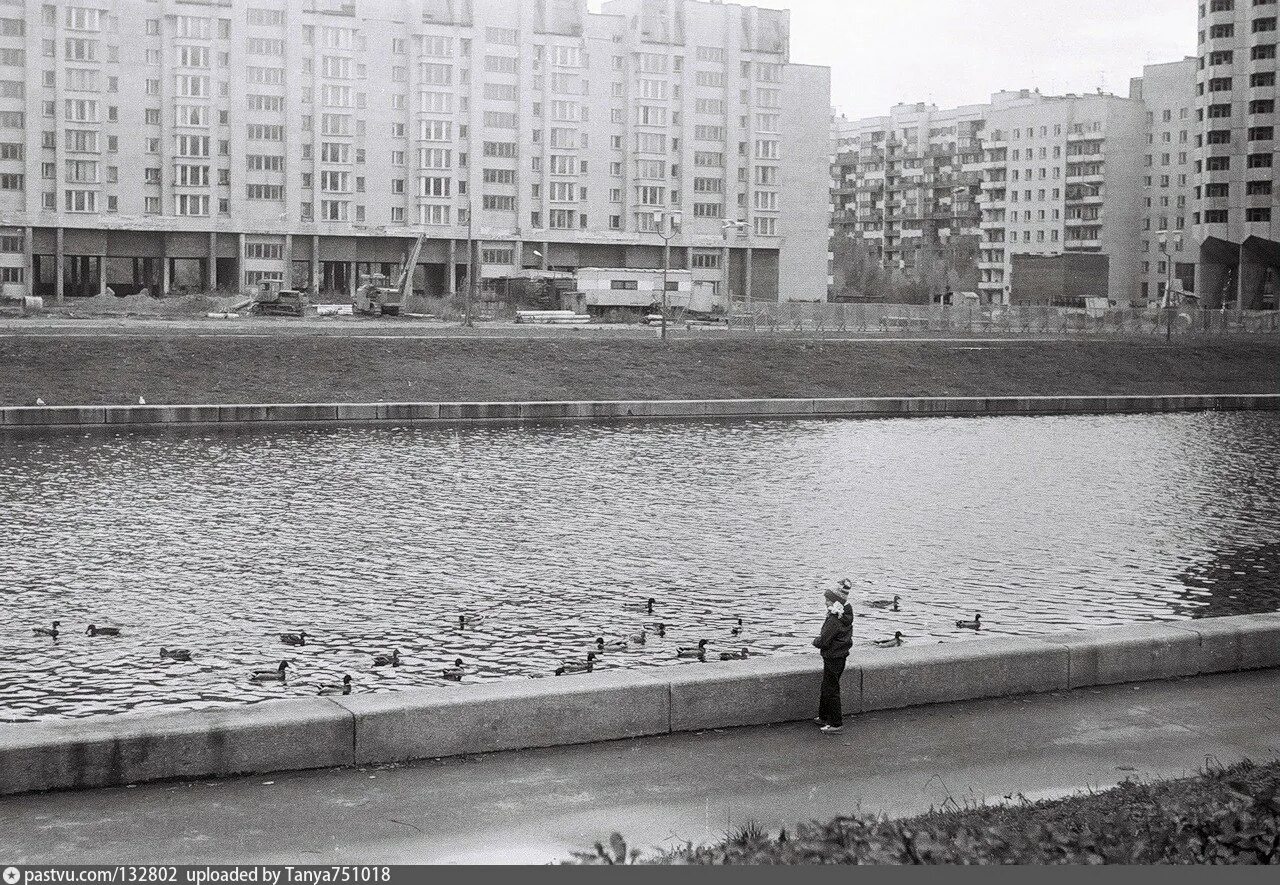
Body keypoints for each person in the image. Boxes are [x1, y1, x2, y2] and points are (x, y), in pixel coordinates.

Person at [812, 582, 854, 733]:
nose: (825, 603)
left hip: (833, 656)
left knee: (831, 689)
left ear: (835, 601)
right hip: (840, 655)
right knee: (828, 686)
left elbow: (823, 640)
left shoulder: (834, 620)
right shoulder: (844, 616)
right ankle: (823, 716)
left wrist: (815, 641)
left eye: (828, 600)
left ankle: (836, 723)